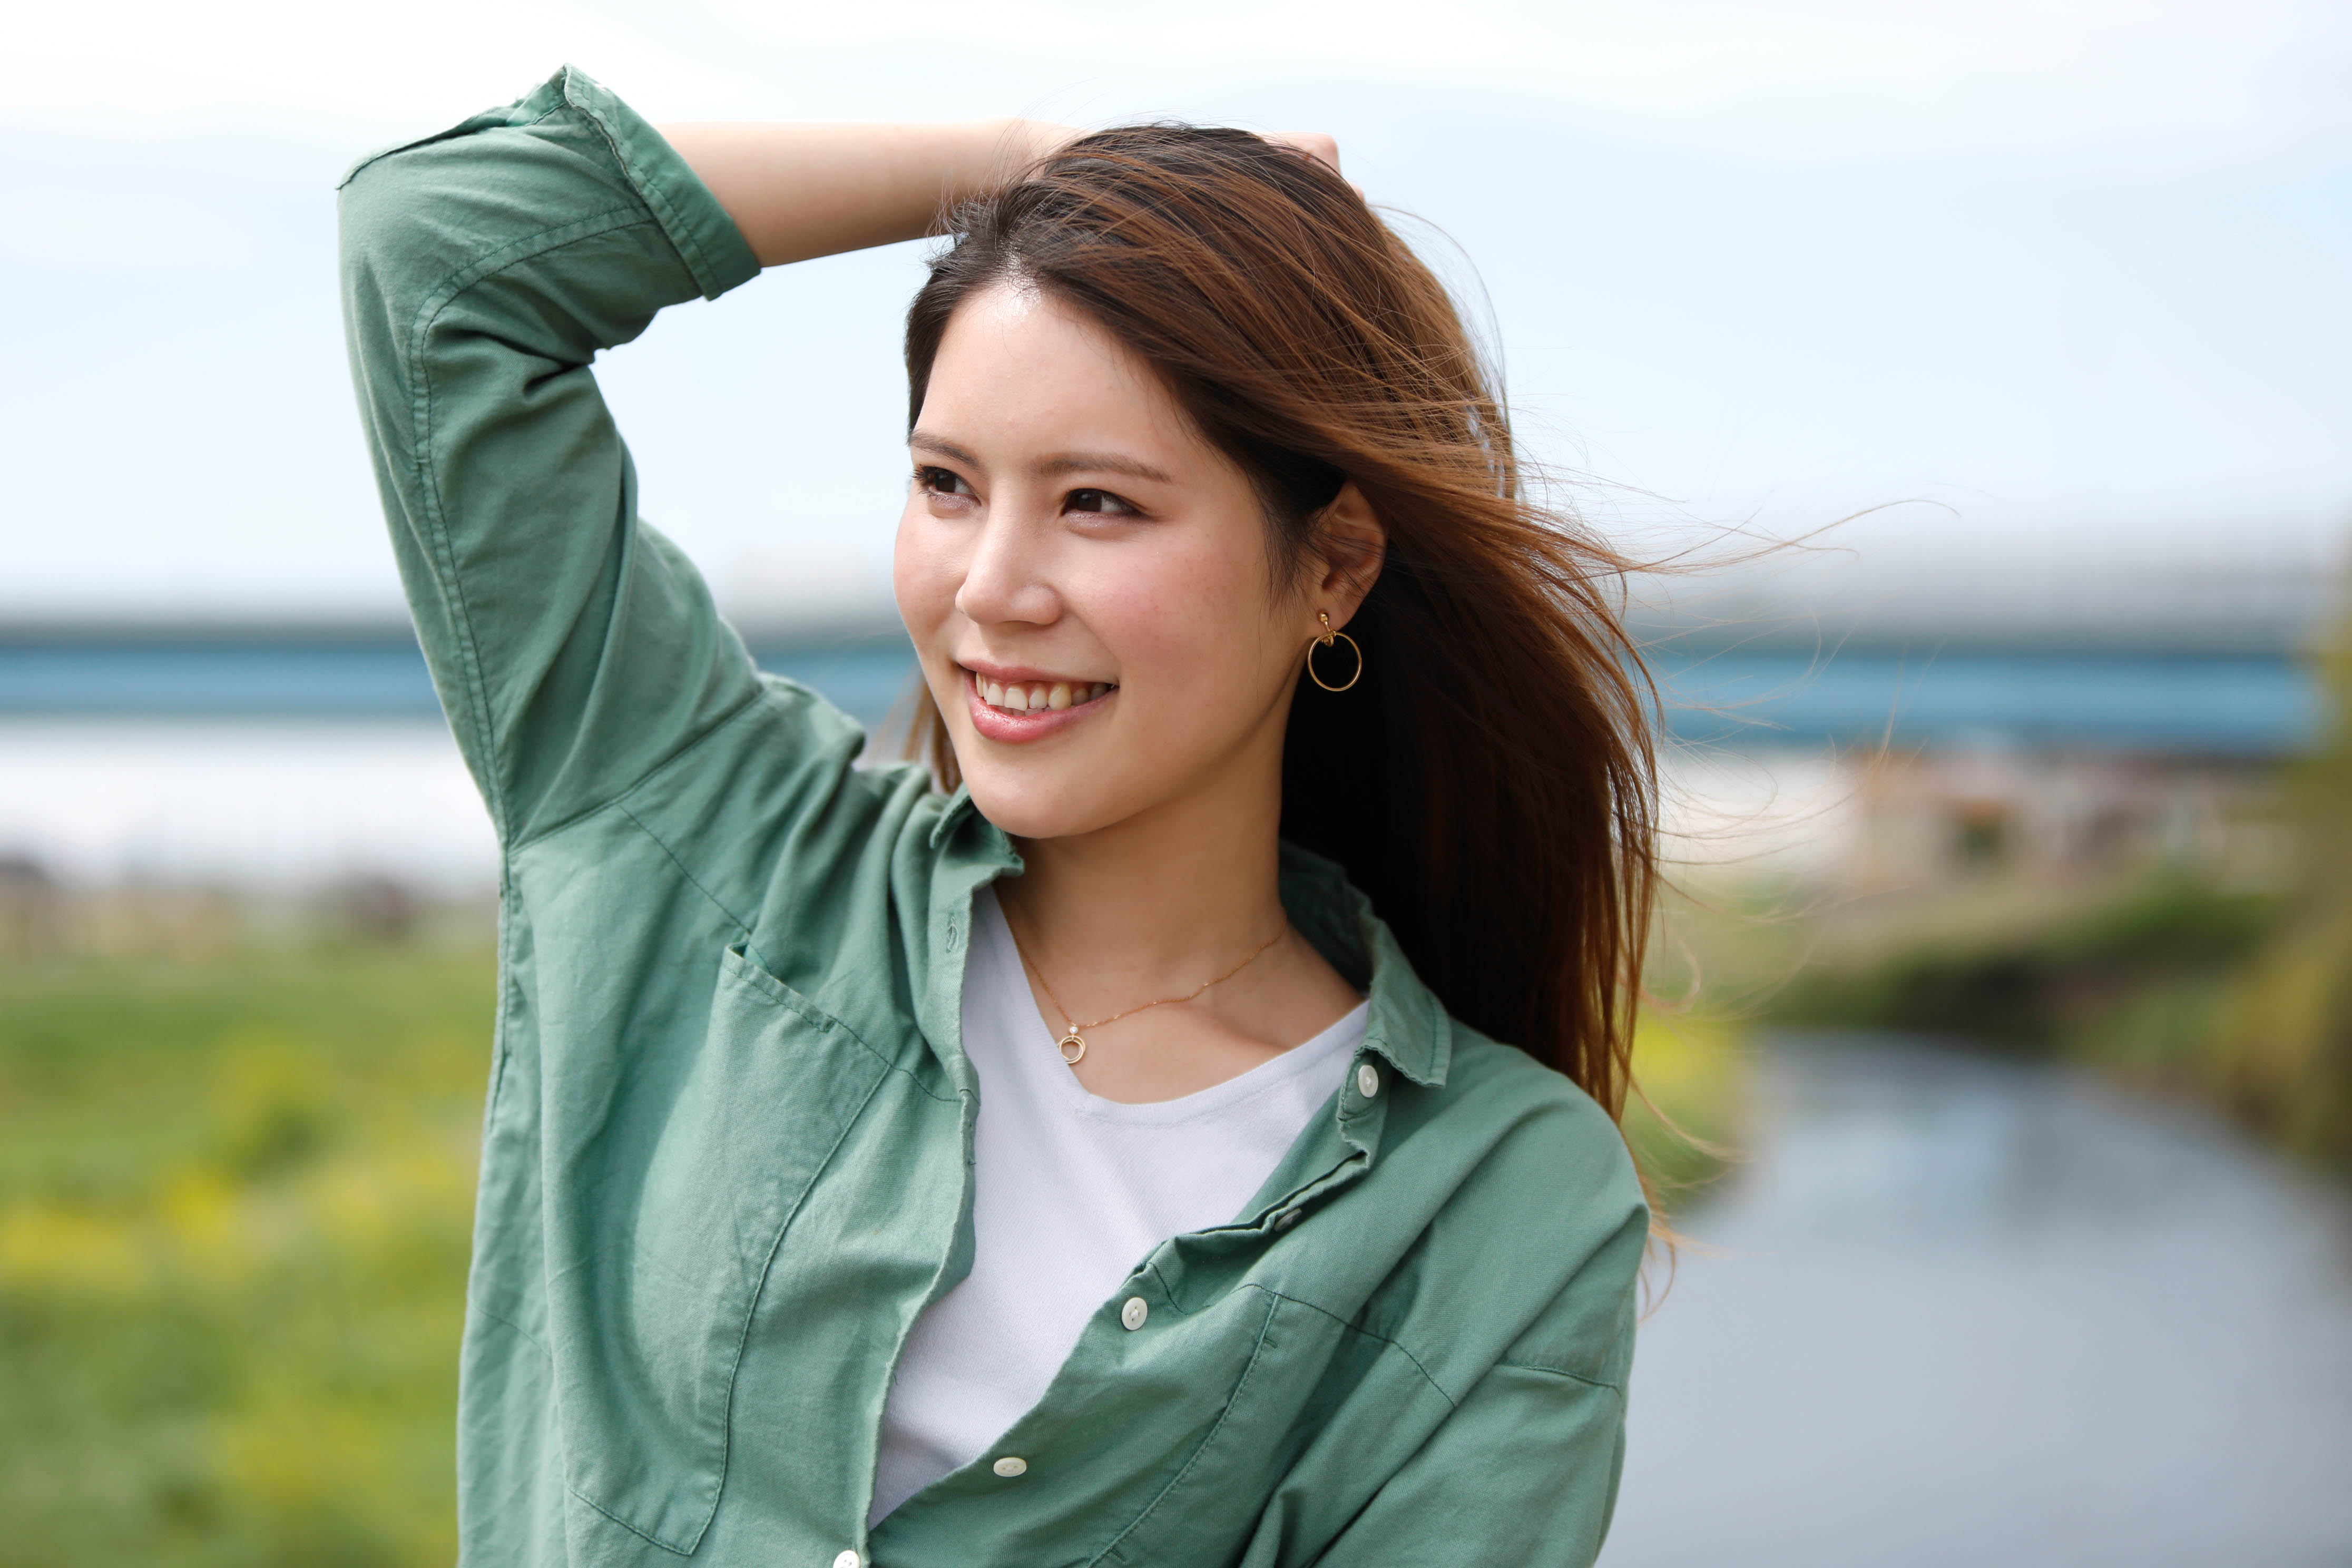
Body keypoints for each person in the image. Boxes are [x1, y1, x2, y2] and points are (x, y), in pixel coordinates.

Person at [339, 64, 1658, 1568]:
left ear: (1335, 567)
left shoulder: (1501, 1205)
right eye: (948, 484)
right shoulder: (704, 837)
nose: (991, 590)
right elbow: (433, 249)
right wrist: (1025, 162)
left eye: (1099, 503)